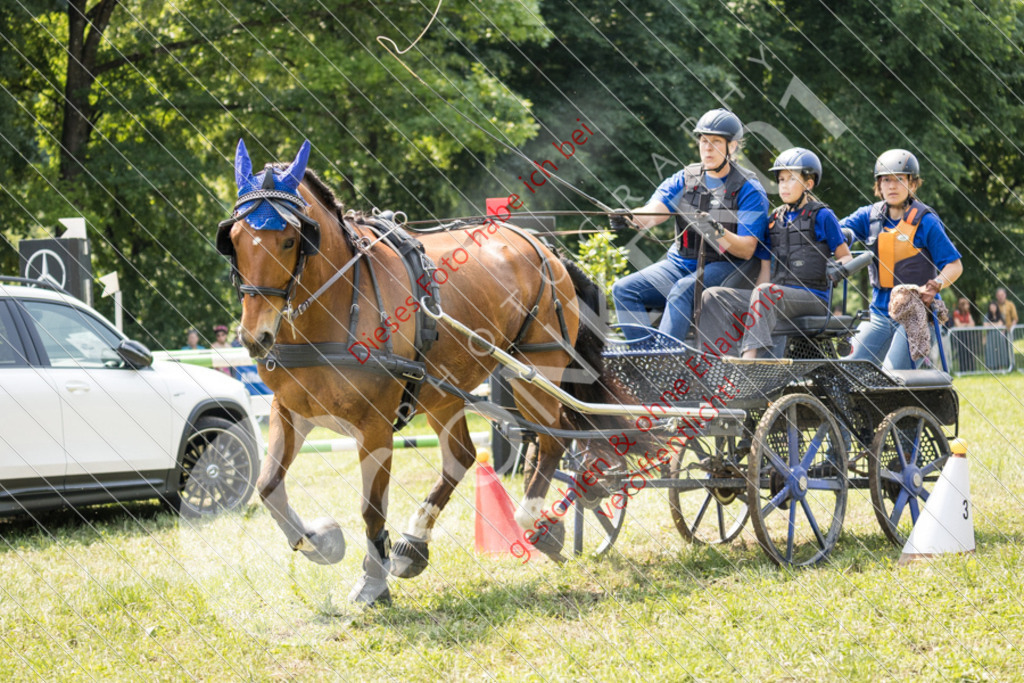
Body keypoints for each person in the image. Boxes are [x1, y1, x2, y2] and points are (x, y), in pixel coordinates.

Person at [610, 109, 770, 343]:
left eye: (716, 142)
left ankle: (664, 363)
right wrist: (630, 217)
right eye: (703, 141)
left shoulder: (750, 189)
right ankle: (648, 362)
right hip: (679, 263)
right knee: (624, 289)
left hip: (727, 266)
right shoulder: (685, 178)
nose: (707, 147)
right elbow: (655, 212)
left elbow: (746, 249)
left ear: (732, 146)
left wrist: (717, 232)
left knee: (682, 291)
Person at [698, 148, 852, 358]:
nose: (784, 185)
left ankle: (750, 359)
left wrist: (837, 269)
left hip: (813, 298)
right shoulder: (774, 221)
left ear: (808, 184)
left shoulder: (823, 216)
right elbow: (765, 270)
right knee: (713, 296)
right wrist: (756, 298)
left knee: (765, 293)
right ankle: (716, 361)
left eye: (791, 179)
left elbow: (845, 256)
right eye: (780, 180)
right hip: (774, 296)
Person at [840, 149, 963, 369]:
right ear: (879, 185)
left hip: (916, 316)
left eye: (899, 179)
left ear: (913, 185)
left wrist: (936, 285)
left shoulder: (927, 222)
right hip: (879, 314)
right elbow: (834, 233)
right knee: (849, 371)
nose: (892, 186)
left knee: (893, 374)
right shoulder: (868, 216)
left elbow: (954, 265)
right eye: (886, 180)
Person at [983, 300, 1011, 370]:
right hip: (990, 336)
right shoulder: (987, 315)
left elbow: (1001, 324)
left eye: (994, 307)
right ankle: (991, 367)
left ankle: (1000, 367)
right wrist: (996, 324)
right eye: (991, 307)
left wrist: (990, 324)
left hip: (999, 336)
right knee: (991, 352)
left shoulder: (1000, 315)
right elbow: (985, 325)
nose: (992, 308)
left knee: (1000, 351)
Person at [951, 297, 976, 372]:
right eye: (967, 304)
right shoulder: (956, 313)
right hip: (960, 336)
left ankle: (972, 369)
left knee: (970, 353)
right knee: (962, 353)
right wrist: (967, 325)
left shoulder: (968, 313)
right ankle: (963, 369)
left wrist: (964, 325)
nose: (968, 305)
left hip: (968, 336)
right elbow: (958, 325)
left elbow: (973, 324)